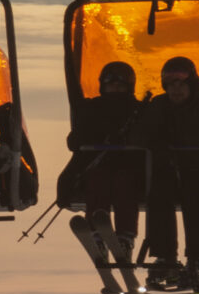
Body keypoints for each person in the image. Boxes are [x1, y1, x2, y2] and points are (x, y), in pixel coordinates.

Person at [133, 55, 199, 293]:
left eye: (181, 83)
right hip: (172, 172)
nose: (176, 90)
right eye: (170, 84)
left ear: (192, 83)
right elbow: (138, 134)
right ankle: (165, 257)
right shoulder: (159, 107)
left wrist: (181, 142)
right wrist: (157, 141)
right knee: (159, 194)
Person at [61, 61, 144, 272]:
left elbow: (149, 136)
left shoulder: (138, 110)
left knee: (124, 185)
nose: (115, 89)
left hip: (129, 166)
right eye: (110, 84)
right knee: (98, 182)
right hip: (99, 165)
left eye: (120, 85)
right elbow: (75, 141)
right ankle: (98, 234)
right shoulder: (91, 109)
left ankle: (124, 239)